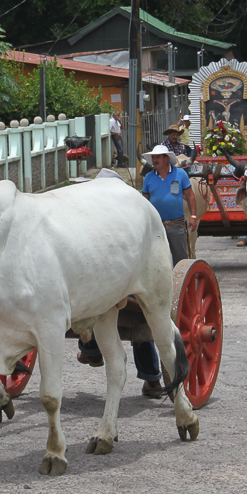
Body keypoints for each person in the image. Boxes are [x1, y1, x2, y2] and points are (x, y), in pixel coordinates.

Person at [80, 145, 198, 398]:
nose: (154, 161)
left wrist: (195, 215)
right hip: (112, 276)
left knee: (156, 296)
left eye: (158, 157)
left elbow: (187, 196)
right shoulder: (144, 186)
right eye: (152, 158)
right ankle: (91, 349)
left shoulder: (179, 176)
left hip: (170, 229)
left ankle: (150, 375)